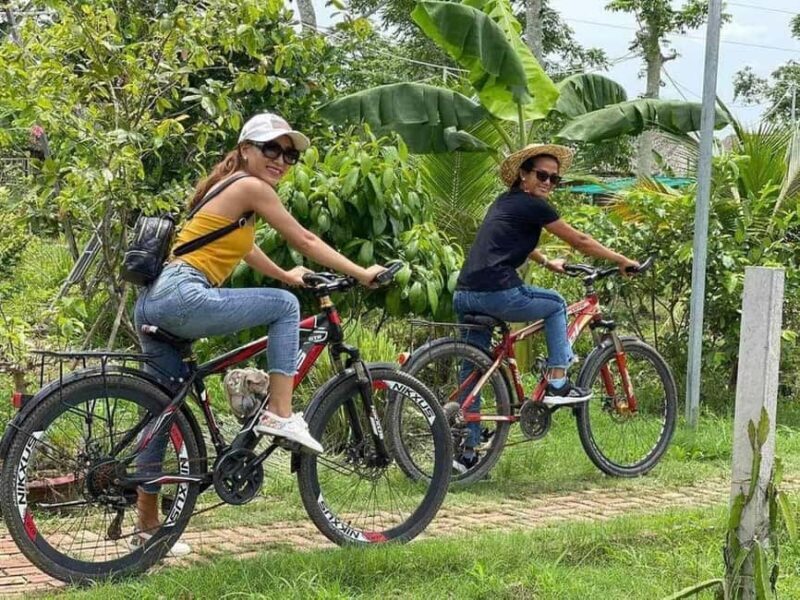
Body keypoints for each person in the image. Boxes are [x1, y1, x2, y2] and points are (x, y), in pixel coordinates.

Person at [132, 112, 386, 554]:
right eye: (272, 149)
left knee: (162, 413)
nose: (281, 160)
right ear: (245, 149)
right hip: (182, 294)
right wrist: (362, 272)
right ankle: (278, 412)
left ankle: (148, 527)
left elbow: (245, 248)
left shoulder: (226, 192)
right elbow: (305, 238)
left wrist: (287, 275)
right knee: (285, 309)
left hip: (155, 302)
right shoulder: (251, 188)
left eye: (290, 154)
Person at [453, 143, 639, 468]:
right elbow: (579, 241)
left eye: (555, 179)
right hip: (498, 293)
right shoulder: (534, 206)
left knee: (473, 371)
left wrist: (544, 260)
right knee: (555, 304)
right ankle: (557, 382)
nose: (548, 183)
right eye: (542, 175)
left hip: (466, 293)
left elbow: (505, 239)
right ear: (523, 175)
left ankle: (465, 455)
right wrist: (621, 260)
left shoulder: (506, 203)